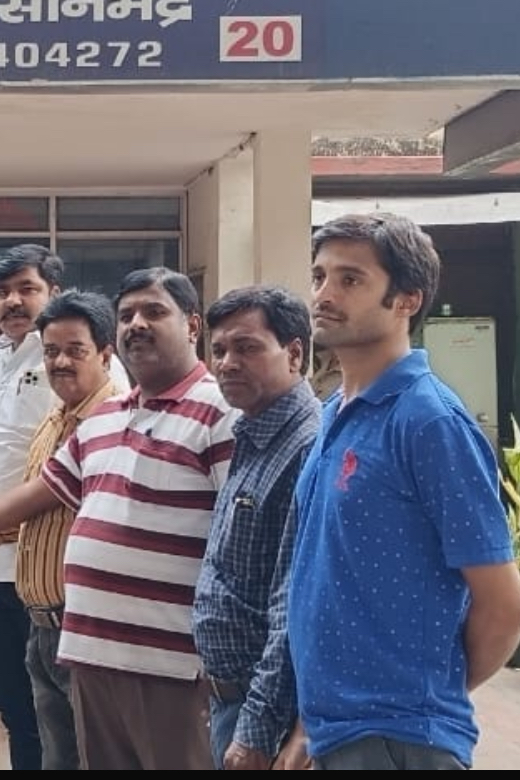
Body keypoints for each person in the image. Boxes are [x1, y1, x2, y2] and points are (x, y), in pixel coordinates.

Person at [0, 266, 236, 770]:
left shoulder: (221, 413)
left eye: (154, 312)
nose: (137, 324)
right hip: (90, 653)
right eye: (127, 314)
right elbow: (41, 493)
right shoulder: (106, 420)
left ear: (192, 326)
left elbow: (240, 545)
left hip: (170, 665)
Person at [283, 213, 520, 770]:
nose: (324, 294)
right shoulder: (335, 412)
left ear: (407, 300)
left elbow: (507, 605)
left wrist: (420, 703)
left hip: (398, 743)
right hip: (335, 730)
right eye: (319, 276)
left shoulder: (428, 421)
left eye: (350, 279)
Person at [0, 245, 130, 771]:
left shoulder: (84, 366)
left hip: (53, 577)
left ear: (54, 292)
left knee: (70, 722)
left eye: (26, 289)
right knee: (15, 708)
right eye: (2, 292)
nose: (12, 301)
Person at [190, 285, 321, 770]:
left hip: (266, 716)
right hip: (231, 700)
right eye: (220, 350)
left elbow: (293, 604)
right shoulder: (254, 431)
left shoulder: (306, 447)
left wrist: (257, 731)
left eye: (246, 348)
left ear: (294, 353)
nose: (226, 363)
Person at [14, 289, 127, 771]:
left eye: (75, 350)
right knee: (57, 759)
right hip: (42, 630)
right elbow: (30, 514)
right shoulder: (52, 419)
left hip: (88, 633)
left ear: (105, 354)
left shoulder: (117, 422)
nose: (60, 362)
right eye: (51, 351)